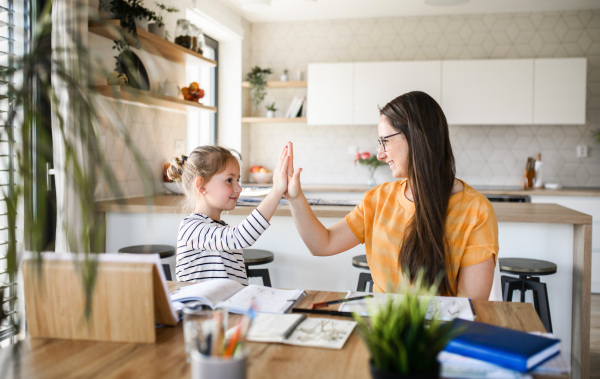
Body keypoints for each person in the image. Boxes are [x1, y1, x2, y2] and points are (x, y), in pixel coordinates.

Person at [284, 91, 498, 300]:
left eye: (385, 140)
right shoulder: (378, 199)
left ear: (416, 136)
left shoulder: (476, 211)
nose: (380, 154)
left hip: (435, 334)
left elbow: (469, 308)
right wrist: (295, 198)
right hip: (381, 327)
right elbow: (323, 244)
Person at [167, 145, 289, 285]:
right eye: (229, 180)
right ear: (201, 185)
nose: (239, 188)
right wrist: (277, 191)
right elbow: (240, 236)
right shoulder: (190, 227)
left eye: (238, 180)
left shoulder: (223, 231)